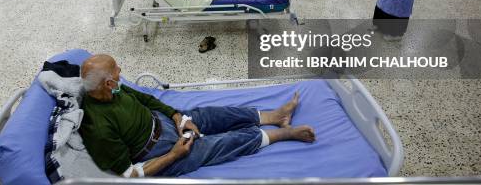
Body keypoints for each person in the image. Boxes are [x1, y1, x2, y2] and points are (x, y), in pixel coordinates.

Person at [80, 54, 315, 177]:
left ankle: (275, 117)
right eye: (117, 70)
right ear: (109, 83)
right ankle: (282, 134)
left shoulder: (114, 91)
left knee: (216, 114)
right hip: (159, 153)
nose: (121, 72)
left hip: (164, 123)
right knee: (223, 143)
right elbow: (129, 174)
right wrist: (174, 155)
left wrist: (177, 117)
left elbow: (147, 100)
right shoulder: (99, 127)